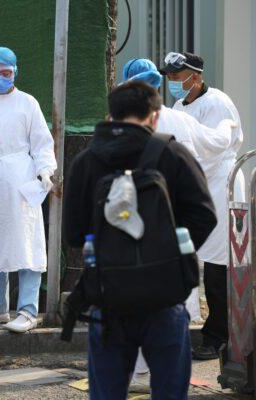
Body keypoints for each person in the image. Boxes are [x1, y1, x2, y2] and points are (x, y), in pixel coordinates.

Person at [63, 81, 217, 398]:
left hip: (108, 297)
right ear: (154, 116)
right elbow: (205, 216)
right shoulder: (173, 154)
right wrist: (170, 249)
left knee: (107, 392)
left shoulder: (87, 161)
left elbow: (73, 234)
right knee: (169, 391)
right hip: (165, 296)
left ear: (111, 115)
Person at [121, 57, 237, 388]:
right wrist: (227, 130)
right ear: (156, 84)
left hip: (131, 221)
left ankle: (136, 369)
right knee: (168, 300)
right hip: (168, 218)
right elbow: (214, 144)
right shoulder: (175, 117)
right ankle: (161, 370)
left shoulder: (116, 122)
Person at [161, 51, 246, 360]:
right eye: (168, 77)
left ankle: (218, 337)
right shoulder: (178, 106)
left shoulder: (218, 103)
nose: (171, 82)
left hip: (220, 184)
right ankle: (189, 326)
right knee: (188, 256)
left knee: (217, 264)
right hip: (194, 186)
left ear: (194, 76)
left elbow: (214, 147)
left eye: (175, 77)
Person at [0, 47, 57, 333]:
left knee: (25, 244)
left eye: (5, 73)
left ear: (15, 72)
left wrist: (45, 170)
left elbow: (42, 142)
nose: (0, 78)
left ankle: (28, 310)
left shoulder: (27, 103)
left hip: (21, 180)